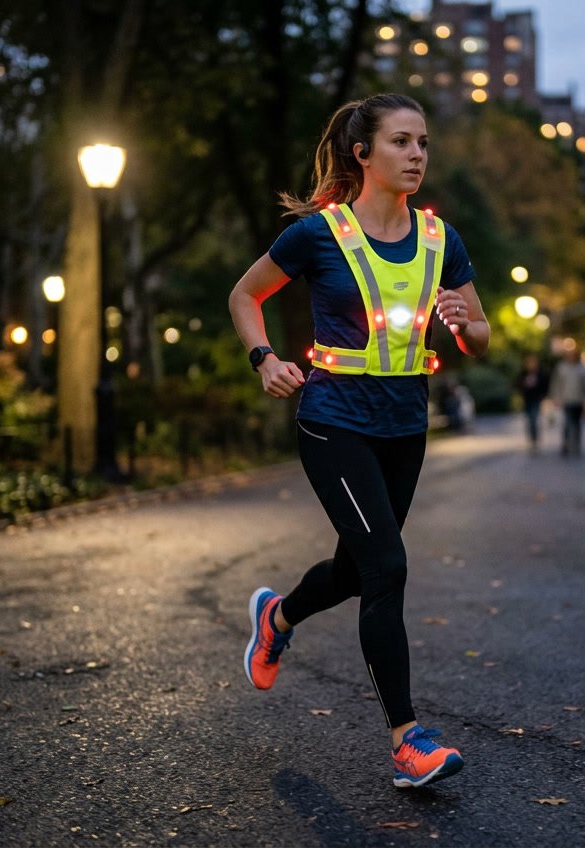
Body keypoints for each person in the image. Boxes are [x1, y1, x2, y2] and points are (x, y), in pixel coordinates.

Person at [228, 93, 489, 789]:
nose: (416, 156)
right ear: (362, 153)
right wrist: (265, 360)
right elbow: (245, 296)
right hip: (333, 419)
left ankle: (277, 615)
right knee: (388, 569)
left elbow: (482, 335)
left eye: (423, 143)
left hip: (405, 423)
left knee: (356, 571)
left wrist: (465, 320)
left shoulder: (441, 240)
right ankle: (409, 741)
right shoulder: (318, 234)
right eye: (402, 142)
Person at [547, 343, 585, 456]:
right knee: (567, 423)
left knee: (577, 424)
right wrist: (555, 397)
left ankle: (576, 444)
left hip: (579, 400)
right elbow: (556, 384)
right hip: (566, 400)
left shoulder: (582, 368)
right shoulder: (561, 368)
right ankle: (566, 444)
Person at [515, 353, 548, 452]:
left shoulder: (540, 374)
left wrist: (543, 396)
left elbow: (544, 385)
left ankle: (534, 440)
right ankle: (531, 439)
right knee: (529, 420)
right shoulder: (523, 374)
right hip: (527, 399)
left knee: (533, 419)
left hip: (536, 399)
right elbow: (518, 384)